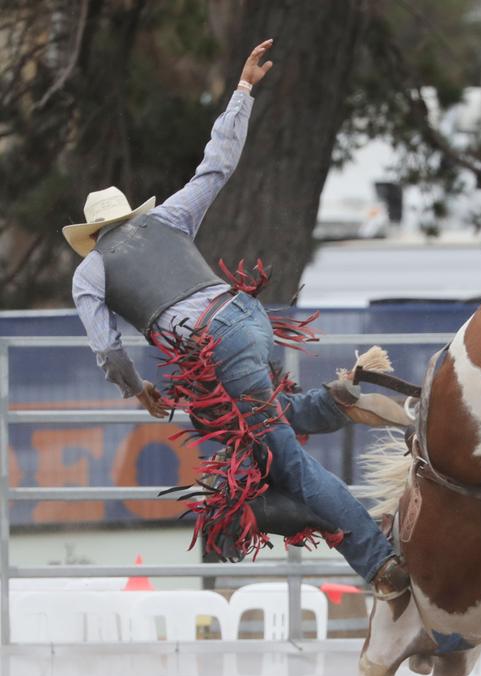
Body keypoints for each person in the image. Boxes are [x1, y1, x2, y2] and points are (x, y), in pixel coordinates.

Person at [65, 40, 409, 601]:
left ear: (90, 237)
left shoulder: (91, 271)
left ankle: (378, 563)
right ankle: (333, 400)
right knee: (254, 427)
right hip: (246, 317)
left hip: (211, 348)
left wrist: (138, 389)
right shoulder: (169, 218)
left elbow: (106, 349)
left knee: (286, 466)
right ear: (131, 214)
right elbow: (217, 164)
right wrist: (243, 90)